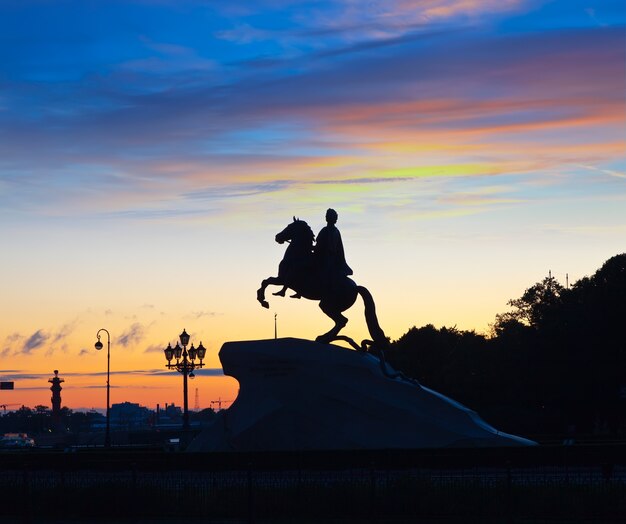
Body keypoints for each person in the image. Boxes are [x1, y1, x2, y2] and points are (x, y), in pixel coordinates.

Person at [314, 208, 353, 284]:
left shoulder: (325, 230)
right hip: (333, 259)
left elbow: (320, 246)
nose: (326, 217)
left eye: (327, 216)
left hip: (325, 259)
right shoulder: (336, 231)